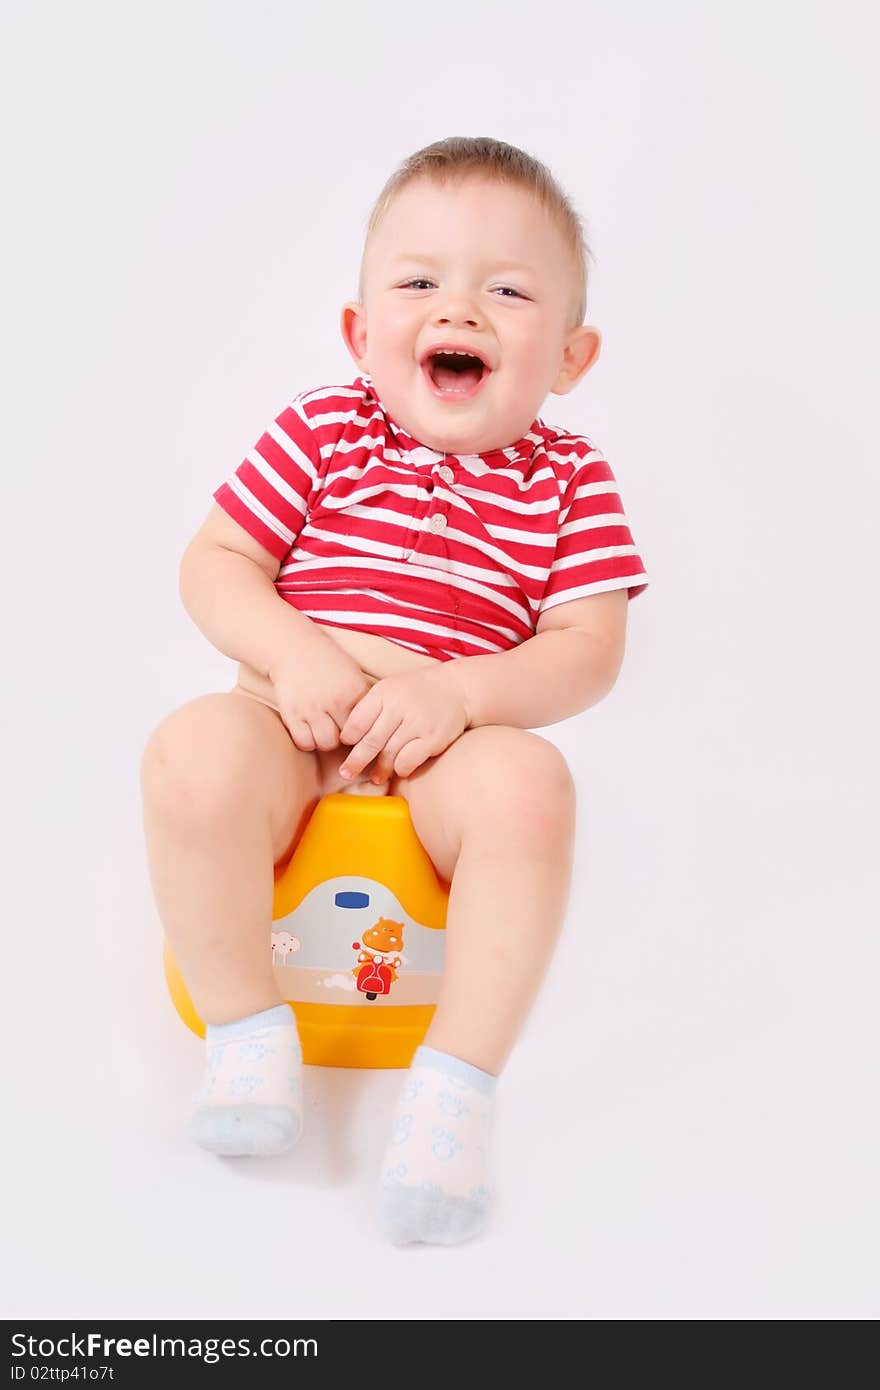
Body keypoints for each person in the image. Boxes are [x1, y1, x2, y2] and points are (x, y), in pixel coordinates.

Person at [139, 135, 649, 1246]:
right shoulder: (324, 427)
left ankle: (452, 1092)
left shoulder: (571, 480)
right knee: (192, 750)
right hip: (294, 719)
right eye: (419, 282)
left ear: (570, 355)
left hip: (447, 747)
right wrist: (296, 656)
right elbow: (214, 562)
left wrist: (465, 696)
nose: (458, 308)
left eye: (506, 291)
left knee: (534, 786)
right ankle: (243, 1030)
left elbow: (587, 645)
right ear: (362, 333)